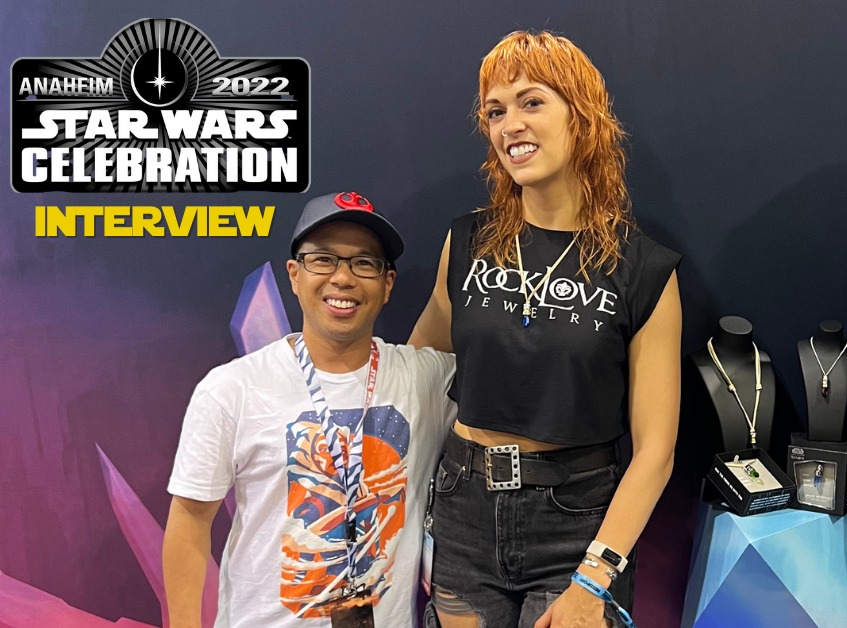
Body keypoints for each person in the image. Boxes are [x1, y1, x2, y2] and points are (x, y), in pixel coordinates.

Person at [408, 31, 681, 628]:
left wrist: (595, 575)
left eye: (532, 102)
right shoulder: (467, 242)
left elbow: (655, 451)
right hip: (462, 510)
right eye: (495, 111)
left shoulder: (642, 268)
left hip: (578, 523)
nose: (511, 125)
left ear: (582, 116)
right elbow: (417, 369)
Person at [163, 191, 457, 628]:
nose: (343, 278)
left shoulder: (424, 380)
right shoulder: (232, 388)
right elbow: (189, 521)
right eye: (323, 260)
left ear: (388, 284)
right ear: (294, 275)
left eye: (364, 263)